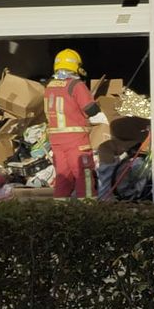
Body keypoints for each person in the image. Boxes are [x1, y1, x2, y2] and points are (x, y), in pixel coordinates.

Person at [44, 48, 106, 199]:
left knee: (63, 178)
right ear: (76, 66)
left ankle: (61, 211)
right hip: (76, 141)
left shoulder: (49, 86)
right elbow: (91, 110)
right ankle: (87, 211)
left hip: (56, 141)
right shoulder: (75, 85)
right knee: (83, 176)